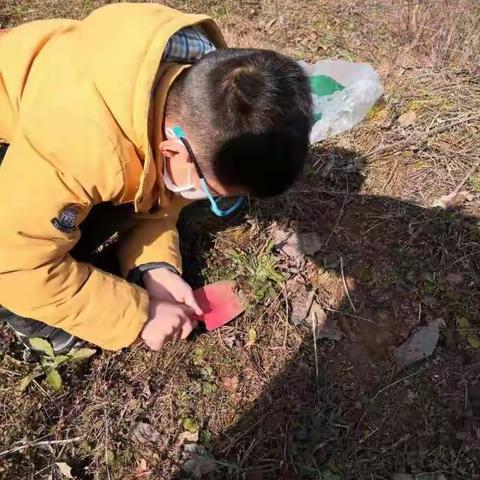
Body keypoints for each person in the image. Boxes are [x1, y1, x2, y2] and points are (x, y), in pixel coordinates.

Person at [0, 3, 312, 355]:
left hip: (45, 93)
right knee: (29, 239)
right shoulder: (75, 147)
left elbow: (157, 189)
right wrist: (138, 315)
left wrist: (155, 267)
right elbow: (14, 264)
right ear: (173, 151)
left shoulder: (204, 91)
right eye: (213, 194)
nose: (203, 198)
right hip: (16, 127)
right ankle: (27, 320)